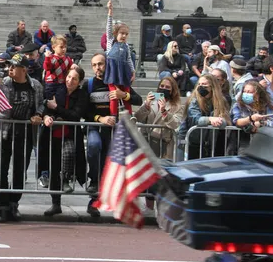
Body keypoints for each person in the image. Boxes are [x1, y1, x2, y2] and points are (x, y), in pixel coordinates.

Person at [86, 52, 142, 217]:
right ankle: (93, 186)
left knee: (110, 167)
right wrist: (100, 118)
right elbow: (84, 110)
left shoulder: (118, 83)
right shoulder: (88, 85)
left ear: (107, 65)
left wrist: (123, 95)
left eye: (101, 64)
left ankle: (103, 202)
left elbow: (138, 100)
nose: (98, 68)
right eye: (95, 65)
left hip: (114, 132)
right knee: (94, 147)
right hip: (96, 128)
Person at [0, 53, 43, 223]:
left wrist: (38, 114)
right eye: (9, 66)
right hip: (4, 132)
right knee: (1, 169)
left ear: (24, 69)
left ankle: (14, 203)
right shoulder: (4, 83)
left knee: (20, 170)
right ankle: (3, 206)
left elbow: (41, 103)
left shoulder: (35, 85)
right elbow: (3, 108)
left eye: (14, 66)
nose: (10, 69)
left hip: (25, 132)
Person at [40, 66, 88, 216]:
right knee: (53, 167)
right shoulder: (58, 90)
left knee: (69, 153)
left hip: (70, 134)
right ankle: (56, 203)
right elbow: (47, 106)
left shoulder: (82, 95)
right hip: (53, 134)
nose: (70, 81)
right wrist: (46, 116)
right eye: (68, 77)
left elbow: (76, 115)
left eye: (74, 79)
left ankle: (66, 178)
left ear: (79, 81)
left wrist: (57, 108)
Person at [180, 74, 231, 160]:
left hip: (214, 143)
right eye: (199, 84)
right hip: (195, 142)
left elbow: (226, 121)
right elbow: (195, 119)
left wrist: (220, 121)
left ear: (212, 86)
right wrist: (210, 119)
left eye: (204, 84)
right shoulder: (193, 100)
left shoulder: (221, 101)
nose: (201, 87)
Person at [134, 77, 183, 160]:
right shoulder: (151, 101)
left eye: (167, 87)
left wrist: (164, 111)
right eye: (162, 86)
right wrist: (146, 106)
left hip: (163, 144)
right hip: (146, 141)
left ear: (172, 90)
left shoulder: (177, 106)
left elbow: (175, 124)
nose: (164, 88)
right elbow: (137, 118)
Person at [104, 1, 135, 115]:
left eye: (126, 34)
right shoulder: (111, 42)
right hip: (112, 71)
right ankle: (113, 115)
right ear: (116, 33)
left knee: (126, 95)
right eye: (122, 33)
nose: (124, 36)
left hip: (124, 72)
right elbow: (108, 28)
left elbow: (128, 60)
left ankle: (129, 116)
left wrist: (133, 71)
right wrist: (110, 12)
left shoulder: (126, 46)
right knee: (113, 96)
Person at [231, 80, 273, 153]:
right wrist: (251, 119)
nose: (246, 94)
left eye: (250, 92)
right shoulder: (238, 106)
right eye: (244, 91)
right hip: (244, 142)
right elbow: (236, 121)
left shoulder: (267, 106)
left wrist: (262, 123)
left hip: (265, 142)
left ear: (258, 94)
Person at [43, 35, 74, 107]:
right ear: (53, 47)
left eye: (65, 47)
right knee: (50, 100)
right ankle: (50, 114)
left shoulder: (67, 59)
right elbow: (47, 68)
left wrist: (73, 66)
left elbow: (71, 66)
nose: (64, 49)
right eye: (61, 47)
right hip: (51, 83)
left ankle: (59, 114)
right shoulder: (51, 58)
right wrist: (47, 58)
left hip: (62, 83)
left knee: (61, 99)